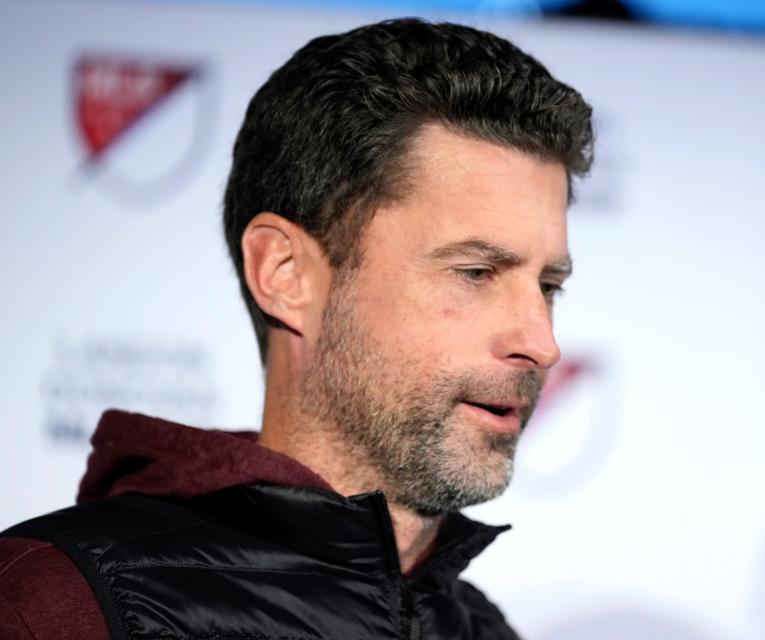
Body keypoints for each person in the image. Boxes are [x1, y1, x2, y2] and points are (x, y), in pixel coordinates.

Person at [0, 18, 593, 640]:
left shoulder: (482, 630)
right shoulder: (59, 606)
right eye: (474, 272)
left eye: (548, 287)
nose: (542, 343)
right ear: (284, 273)